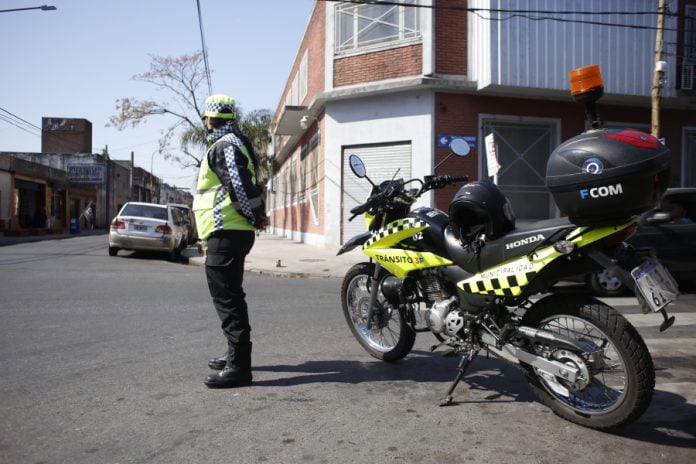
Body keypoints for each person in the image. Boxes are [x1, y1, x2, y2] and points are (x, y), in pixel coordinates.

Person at [192, 94, 268, 389]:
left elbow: (239, 186)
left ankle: (239, 367)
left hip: (228, 231)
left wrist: (255, 217)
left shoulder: (223, 146)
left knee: (228, 299)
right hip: (229, 231)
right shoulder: (233, 143)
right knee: (231, 296)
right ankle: (234, 354)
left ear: (209, 120)